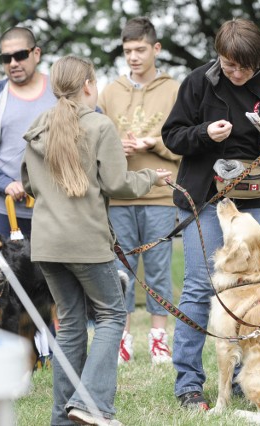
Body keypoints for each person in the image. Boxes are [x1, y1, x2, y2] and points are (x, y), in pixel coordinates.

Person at [21, 55, 171, 426]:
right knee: (111, 314)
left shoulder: (38, 127)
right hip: (85, 241)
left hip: (46, 244)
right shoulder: (99, 126)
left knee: (71, 324)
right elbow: (119, 185)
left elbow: (27, 184)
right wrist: (152, 176)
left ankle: (62, 417)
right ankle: (90, 405)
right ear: (89, 84)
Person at [161, 18, 260, 409]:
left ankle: (244, 376)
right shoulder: (197, 82)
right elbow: (172, 136)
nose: (234, 72)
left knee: (251, 286)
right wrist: (205, 133)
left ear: (258, 61)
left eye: (242, 67)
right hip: (207, 194)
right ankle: (189, 383)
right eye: (227, 65)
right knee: (198, 284)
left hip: (255, 194)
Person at [98, 16, 181, 365]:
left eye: (140, 49)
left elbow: (183, 146)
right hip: (120, 195)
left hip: (161, 194)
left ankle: (159, 340)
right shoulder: (110, 91)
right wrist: (118, 146)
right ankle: (123, 340)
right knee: (122, 271)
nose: (133, 56)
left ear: (156, 49)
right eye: (127, 50)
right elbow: (97, 141)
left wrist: (154, 143)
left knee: (159, 270)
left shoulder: (175, 89)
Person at [0, 26, 56, 239]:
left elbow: (93, 129)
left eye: (20, 55)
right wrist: (5, 183)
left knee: (53, 273)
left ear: (36, 53)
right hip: (3, 212)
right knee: (3, 273)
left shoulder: (61, 90)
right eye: (6, 58)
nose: (13, 63)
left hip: (56, 212)